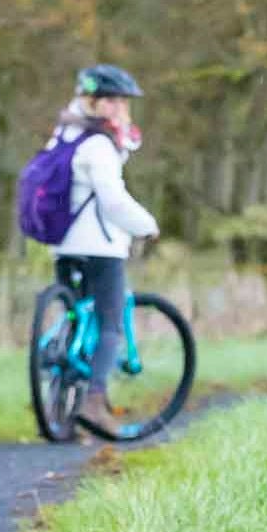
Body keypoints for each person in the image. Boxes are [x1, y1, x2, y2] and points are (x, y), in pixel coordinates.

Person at [46, 64, 159, 433]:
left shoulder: (64, 134)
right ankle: (94, 402)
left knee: (77, 315)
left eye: (121, 101)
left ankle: (59, 406)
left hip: (62, 245)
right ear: (94, 102)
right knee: (110, 325)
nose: (120, 108)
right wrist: (147, 225)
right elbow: (113, 201)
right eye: (113, 101)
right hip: (100, 247)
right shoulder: (98, 145)